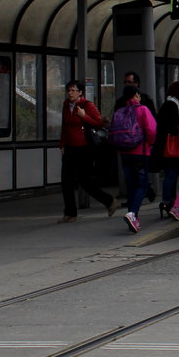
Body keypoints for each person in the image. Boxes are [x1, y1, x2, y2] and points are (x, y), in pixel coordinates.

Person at [58, 80, 119, 223]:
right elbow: (64, 127)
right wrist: (62, 145)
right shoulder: (66, 106)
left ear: (80, 93)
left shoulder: (87, 105)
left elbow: (100, 123)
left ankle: (109, 201)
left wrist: (84, 116)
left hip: (84, 148)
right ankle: (70, 213)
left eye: (73, 90)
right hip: (70, 148)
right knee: (66, 180)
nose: (70, 93)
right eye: (68, 90)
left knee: (83, 181)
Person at [115, 85, 157, 234]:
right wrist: (150, 143)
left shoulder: (119, 112)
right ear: (136, 96)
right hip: (140, 152)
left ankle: (133, 217)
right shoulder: (142, 110)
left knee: (131, 186)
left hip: (124, 153)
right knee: (142, 184)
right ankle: (132, 214)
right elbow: (152, 130)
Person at [152, 80, 179, 218]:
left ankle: (169, 202)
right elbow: (175, 127)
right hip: (171, 146)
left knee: (170, 174)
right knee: (171, 174)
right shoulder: (173, 105)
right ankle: (167, 201)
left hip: (164, 145)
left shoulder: (168, 104)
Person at [122, 70, 158, 206]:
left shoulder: (123, 105)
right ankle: (133, 211)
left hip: (127, 149)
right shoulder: (141, 107)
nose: (127, 85)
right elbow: (152, 128)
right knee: (139, 180)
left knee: (132, 179)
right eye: (125, 82)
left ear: (137, 84)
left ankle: (132, 207)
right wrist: (150, 142)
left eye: (130, 82)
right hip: (138, 148)